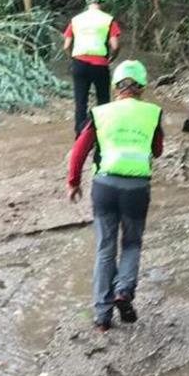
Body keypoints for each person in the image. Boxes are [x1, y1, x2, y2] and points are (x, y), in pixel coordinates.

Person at [67, 60, 164, 331]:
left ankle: (101, 316)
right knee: (131, 243)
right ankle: (123, 290)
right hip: (137, 189)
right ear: (142, 88)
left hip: (105, 187)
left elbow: (79, 151)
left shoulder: (100, 113)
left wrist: (74, 182)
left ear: (115, 87)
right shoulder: (152, 113)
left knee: (105, 248)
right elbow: (157, 150)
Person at [63, 0, 121, 136]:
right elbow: (115, 45)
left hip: (79, 63)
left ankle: (80, 135)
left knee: (80, 102)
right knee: (103, 101)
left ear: (88, 1)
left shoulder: (76, 20)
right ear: (102, 2)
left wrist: (73, 59)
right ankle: (103, 134)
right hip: (100, 64)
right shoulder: (108, 19)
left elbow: (66, 45)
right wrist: (111, 58)